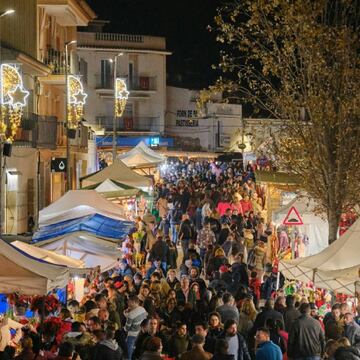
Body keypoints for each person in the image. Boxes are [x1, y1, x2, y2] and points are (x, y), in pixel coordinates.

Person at [124, 295, 148, 360]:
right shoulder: (143, 309)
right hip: (140, 334)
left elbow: (126, 328)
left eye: (128, 301)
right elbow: (145, 318)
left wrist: (126, 315)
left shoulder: (131, 315)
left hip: (132, 335)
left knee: (129, 355)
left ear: (133, 302)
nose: (127, 302)